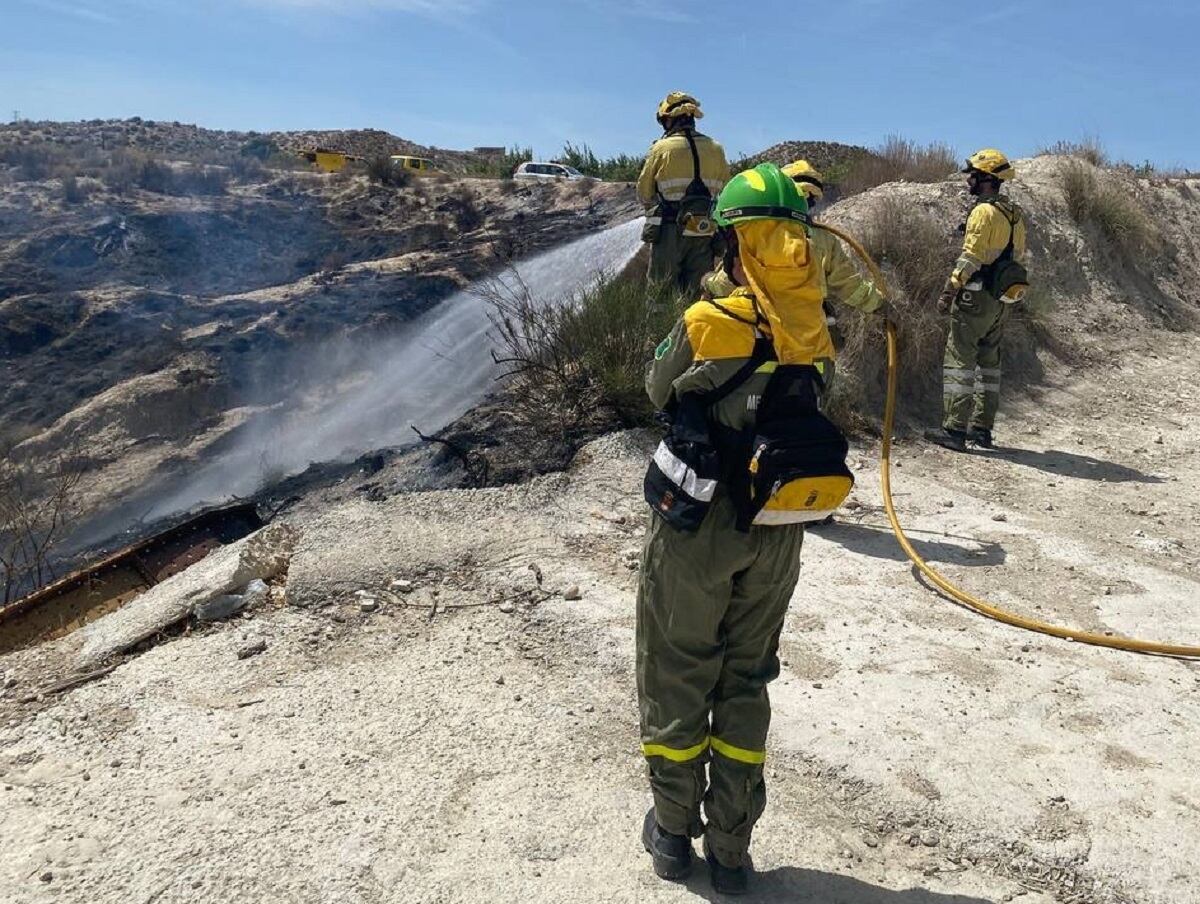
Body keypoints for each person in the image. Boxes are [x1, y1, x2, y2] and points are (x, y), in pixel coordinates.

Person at [638, 164, 857, 895]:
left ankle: (672, 835)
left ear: (734, 243)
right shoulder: (814, 329)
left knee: (678, 670)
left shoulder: (707, 323)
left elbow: (655, 389)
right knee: (745, 679)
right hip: (778, 530)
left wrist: (708, 306)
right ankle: (732, 850)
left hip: (701, 530)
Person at [702, 158, 886, 355]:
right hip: (810, 334)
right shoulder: (826, 240)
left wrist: (708, 282)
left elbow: (727, 283)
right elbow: (849, 284)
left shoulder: (758, 236)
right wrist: (877, 304)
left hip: (759, 327)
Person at [925, 148, 1029, 452]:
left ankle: (954, 430)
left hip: (975, 297)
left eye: (972, 173)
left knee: (959, 360)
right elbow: (1017, 254)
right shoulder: (1014, 214)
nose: (968, 179)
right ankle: (982, 430)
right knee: (990, 365)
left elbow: (970, 257)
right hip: (1001, 299)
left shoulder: (983, 212)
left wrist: (950, 289)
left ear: (986, 178)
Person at [636, 92, 730, 296]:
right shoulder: (716, 149)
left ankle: (659, 328)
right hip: (703, 230)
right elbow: (726, 190)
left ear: (668, 120)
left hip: (670, 229)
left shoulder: (661, 148)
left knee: (660, 292)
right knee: (698, 292)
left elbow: (644, 191)